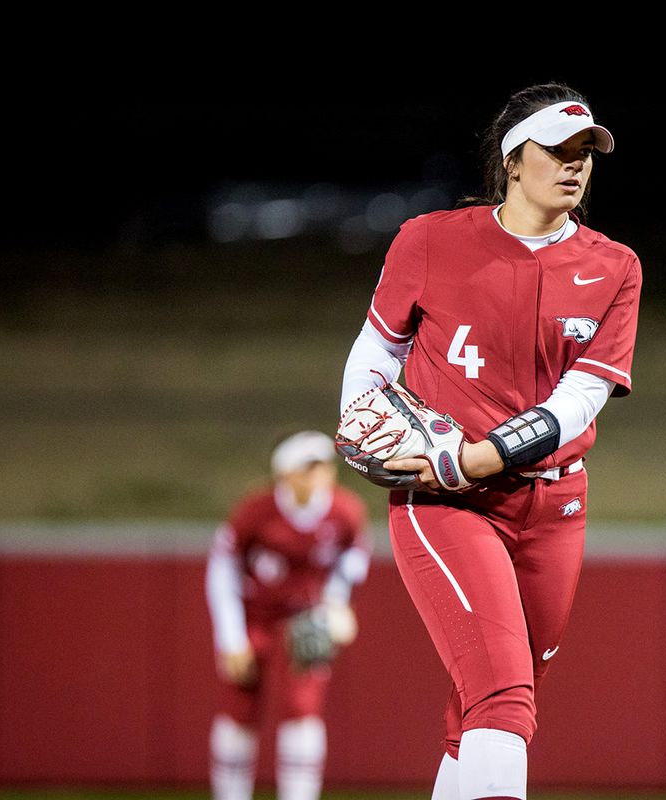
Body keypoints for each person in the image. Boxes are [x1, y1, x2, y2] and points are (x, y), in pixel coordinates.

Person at [338, 82, 642, 800]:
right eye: (557, 151)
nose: (575, 166)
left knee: (485, 709)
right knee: (504, 698)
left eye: (585, 153)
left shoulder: (614, 267)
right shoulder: (430, 239)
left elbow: (580, 400)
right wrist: (363, 423)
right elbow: (375, 356)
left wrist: (483, 454)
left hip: (554, 508)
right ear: (512, 159)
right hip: (448, 502)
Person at [205, 430, 371, 800]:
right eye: (309, 468)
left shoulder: (344, 510)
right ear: (286, 474)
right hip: (256, 618)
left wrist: (336, 602)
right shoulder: (256, 511)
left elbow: (353, 558)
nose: (321, 475)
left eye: (324, 466)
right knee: (238, 709)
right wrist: (230, 638)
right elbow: (222, 569)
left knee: (302, 710)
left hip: (305, 621)